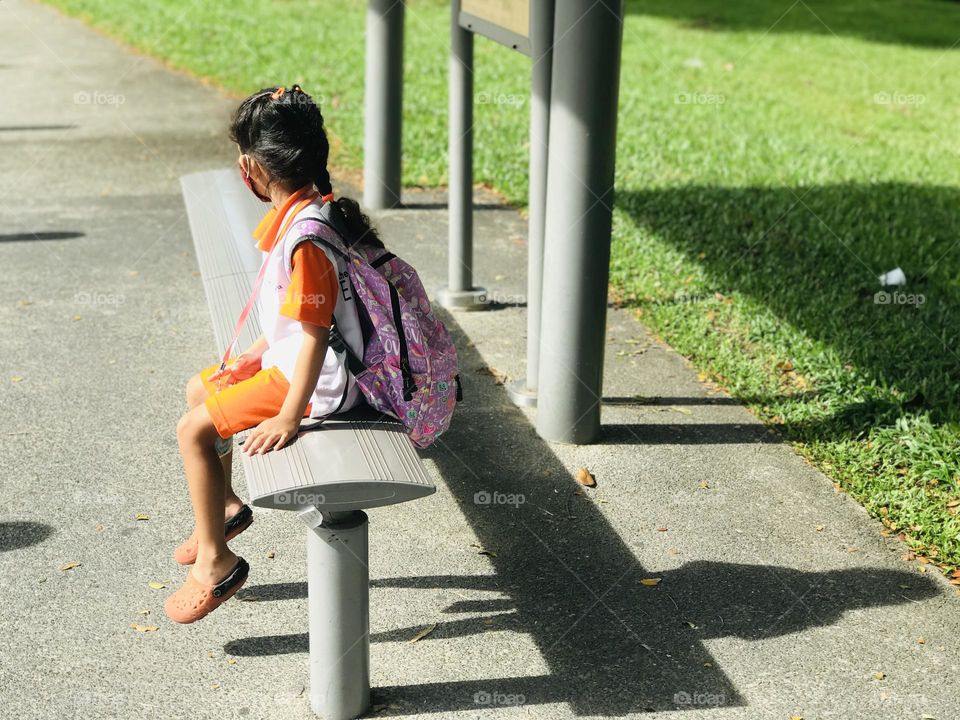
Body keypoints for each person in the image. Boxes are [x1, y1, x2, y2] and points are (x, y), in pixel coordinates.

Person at [165, 85, 382, 623]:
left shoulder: (306, 238)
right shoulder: (306, 212)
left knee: (191, 430)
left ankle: (216, 563)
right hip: (296, 364)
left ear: (249, 170)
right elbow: (297, 320)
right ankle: (227, 508)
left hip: (316, 386)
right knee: (201, 390)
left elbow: (313, 336)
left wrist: (289, 414)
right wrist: (254, 354)